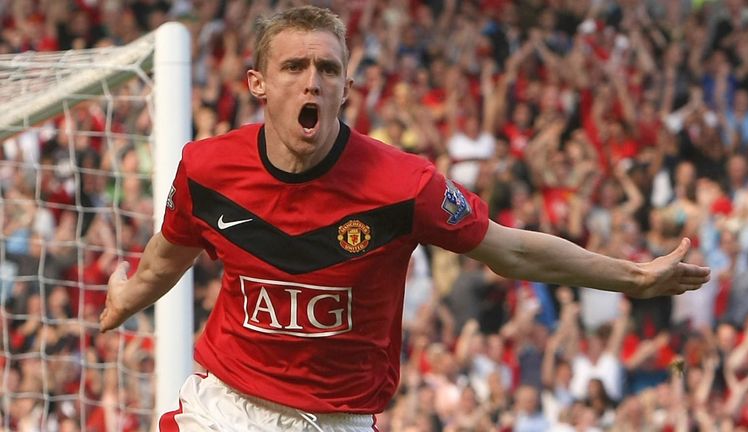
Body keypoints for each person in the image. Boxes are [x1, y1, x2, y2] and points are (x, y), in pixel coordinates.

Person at [99, 6, 711, 431]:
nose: (312, 83)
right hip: (225, 407)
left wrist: (631, 277)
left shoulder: (404, 184)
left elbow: (511, 252)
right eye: (294, 68)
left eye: (328, 70)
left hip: (337, 420)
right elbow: (167, 253)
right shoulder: (207, 167)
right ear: (258, 83)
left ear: (347, 88)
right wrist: (125, 299)